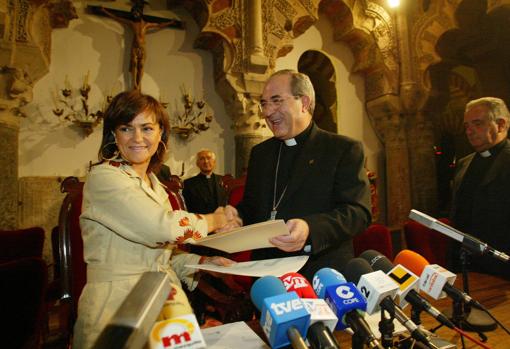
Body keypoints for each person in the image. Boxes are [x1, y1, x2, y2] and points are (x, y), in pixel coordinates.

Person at [73, 90, 239, 348]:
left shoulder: (156, 185)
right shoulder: (103, 177)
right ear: (114, 136)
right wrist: (215, 220)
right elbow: (161, 228)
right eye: (127, 128)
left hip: (167, 301)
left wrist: (203, 261)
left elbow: (161, 255)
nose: (138, 138)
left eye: (147, 128)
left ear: (161, 133)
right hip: (117, 304)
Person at [236, 69, 372, 281]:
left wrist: (310, 228)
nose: (267, 112)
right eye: (264, 103)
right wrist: (235, 216)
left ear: (305, 103)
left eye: (276, 101)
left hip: (321, 273)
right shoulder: (260, 154)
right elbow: (252, 207)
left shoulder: (342, 149)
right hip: (267, 276)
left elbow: (358, 213)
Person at [451, 97, 510, 278]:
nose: (469, 131)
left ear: (500, 125)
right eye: (466, 125)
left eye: (477, 124)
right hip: (466, 263)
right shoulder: (464, 163)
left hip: (501, 266)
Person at [100, 0, 177, 90]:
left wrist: (170, 23)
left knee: (141, 65)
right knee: (134, 63)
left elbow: (159, 25)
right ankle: (134, 84)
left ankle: (139, 84)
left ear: (140, 13)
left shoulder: (146, 24)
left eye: (136, 13)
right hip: (135, 46)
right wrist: (105, 11)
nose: (135, 15)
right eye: (133, 13)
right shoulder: (132, 23)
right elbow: (117, 18)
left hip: (142, 47)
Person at [182, 150, 227, 214]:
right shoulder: (189, 184)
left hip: (220, 220)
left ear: (214, 162)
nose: (206, 161)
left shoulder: (223, 180)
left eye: (208, 158)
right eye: (202, 159)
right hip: (200, 221)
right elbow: (187, 208)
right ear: (197, 163)